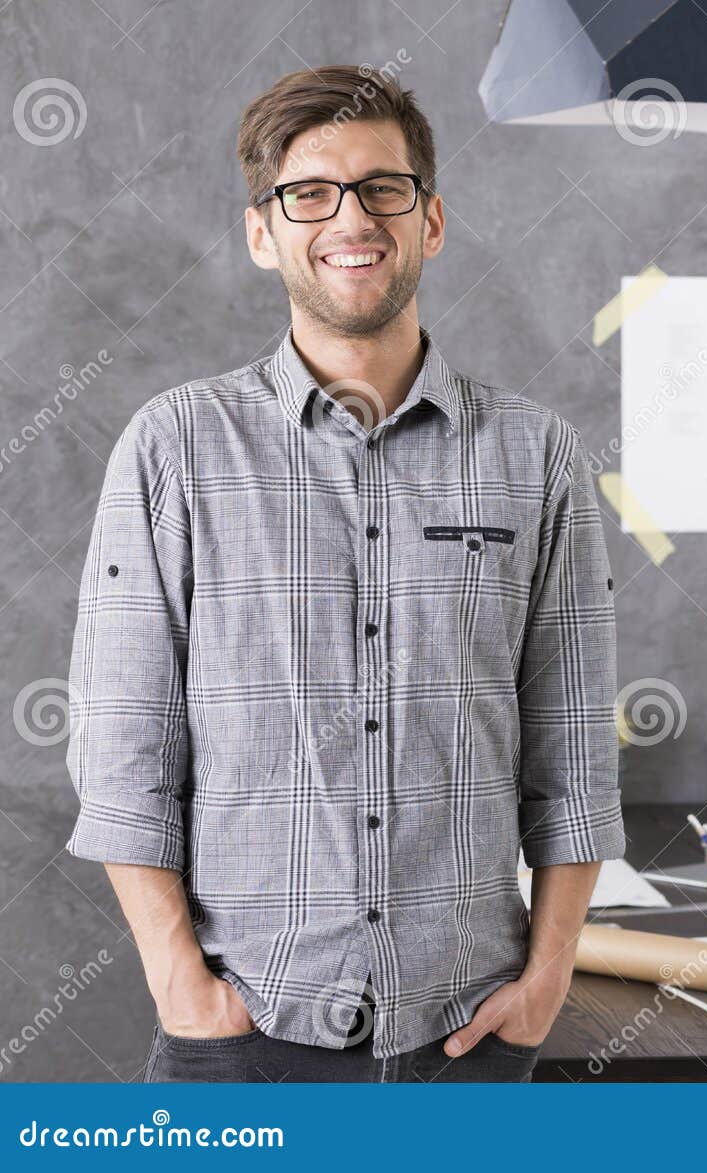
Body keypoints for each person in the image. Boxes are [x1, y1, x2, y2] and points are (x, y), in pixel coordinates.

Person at [63, 66, 622, 1082]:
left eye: (382, 187)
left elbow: (572, 750)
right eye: (308, 193)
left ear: (431, 219)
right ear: (261, 232)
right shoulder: (174, 449)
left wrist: (545, 983)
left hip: (472, 1041)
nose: (350, 216)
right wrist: (184, 988)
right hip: (241, 1040)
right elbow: (122, 748)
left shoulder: (537, 459)